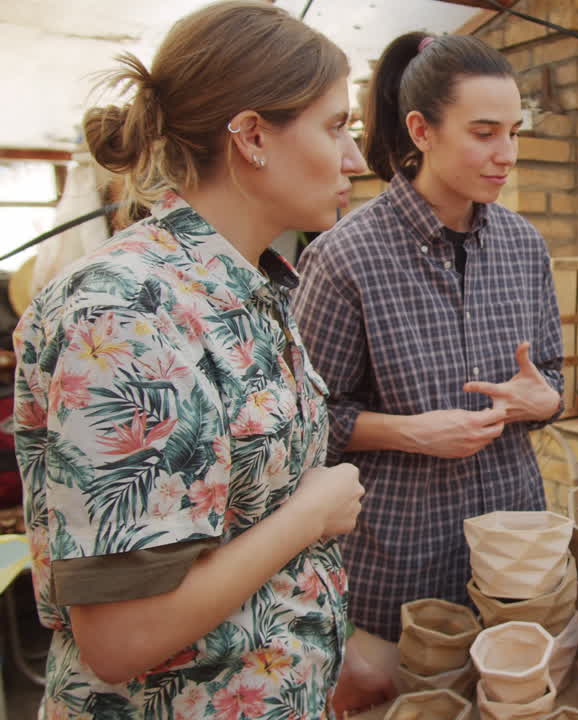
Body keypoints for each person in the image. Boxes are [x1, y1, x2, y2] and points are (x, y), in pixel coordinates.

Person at [12, 2, 369, 715]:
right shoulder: (126, 315)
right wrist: (311, 514)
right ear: (253, 136)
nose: (356, 160)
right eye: (336, 127)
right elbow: (123, 636)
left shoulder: (245, 287)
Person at [293, 32, 564, 644]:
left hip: (515, 546)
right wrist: (411, 432)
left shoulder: (524, 246)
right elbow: (303, 421)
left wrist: (544, 399)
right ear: (421, 130)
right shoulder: (345, 257)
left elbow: (552, 379)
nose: (506, 154)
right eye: (484, 133)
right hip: (400, 559)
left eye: (514, 133)